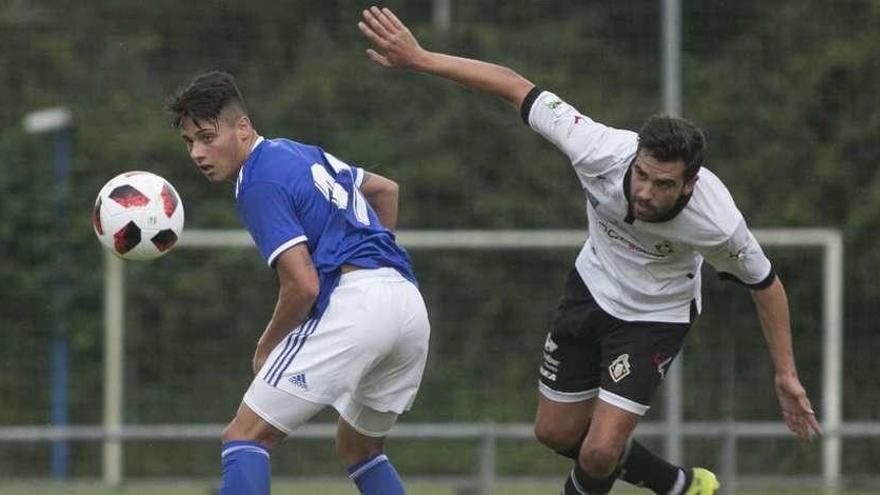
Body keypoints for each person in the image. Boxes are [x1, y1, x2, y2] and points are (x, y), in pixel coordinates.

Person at [358, 6, 822, 495]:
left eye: (662, 184)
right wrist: (421, 57)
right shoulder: (597, 148)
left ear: (689, 185)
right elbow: (514, 85)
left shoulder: (718, 221)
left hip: (654, 317)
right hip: (589, 291)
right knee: (555, 433)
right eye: (641, 174)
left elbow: (765, 286)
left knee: (600, 451)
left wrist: (786, 375)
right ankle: (680, 485)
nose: (644, 191)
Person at [167, 71, 430, 495]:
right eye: (189, 142)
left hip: (359, 305)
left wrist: (267, 345)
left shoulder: (257, 181)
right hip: (407, 303)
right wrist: (372, 261)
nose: (197, 152)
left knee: (244, 437)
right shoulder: (299, 153)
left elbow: (302, 284)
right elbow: (386, 190)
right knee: (359, 446)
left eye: (206, 137)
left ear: (243, 127)